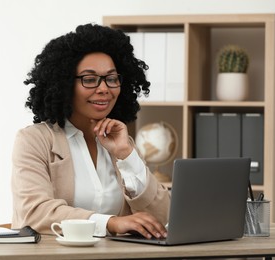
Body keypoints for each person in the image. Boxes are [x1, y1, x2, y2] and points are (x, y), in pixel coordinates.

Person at [11, 23, 170, 239]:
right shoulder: (34, 140)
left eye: (111, 79)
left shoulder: (121, 143)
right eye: (89, 79)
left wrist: (127, 155)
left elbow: (163, 217)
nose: (104, 88)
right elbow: (35, 212)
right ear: (65, 84)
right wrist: (110, 223)